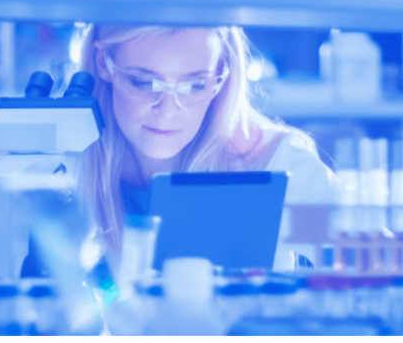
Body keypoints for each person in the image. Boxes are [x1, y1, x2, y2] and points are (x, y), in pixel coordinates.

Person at [71, 25, 341, 273]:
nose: (167, 110)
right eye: (144, 83)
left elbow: (366, 271)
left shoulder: (278, 165)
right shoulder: (67, 166)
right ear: (103, 63)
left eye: (194, 86)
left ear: (221, 75)